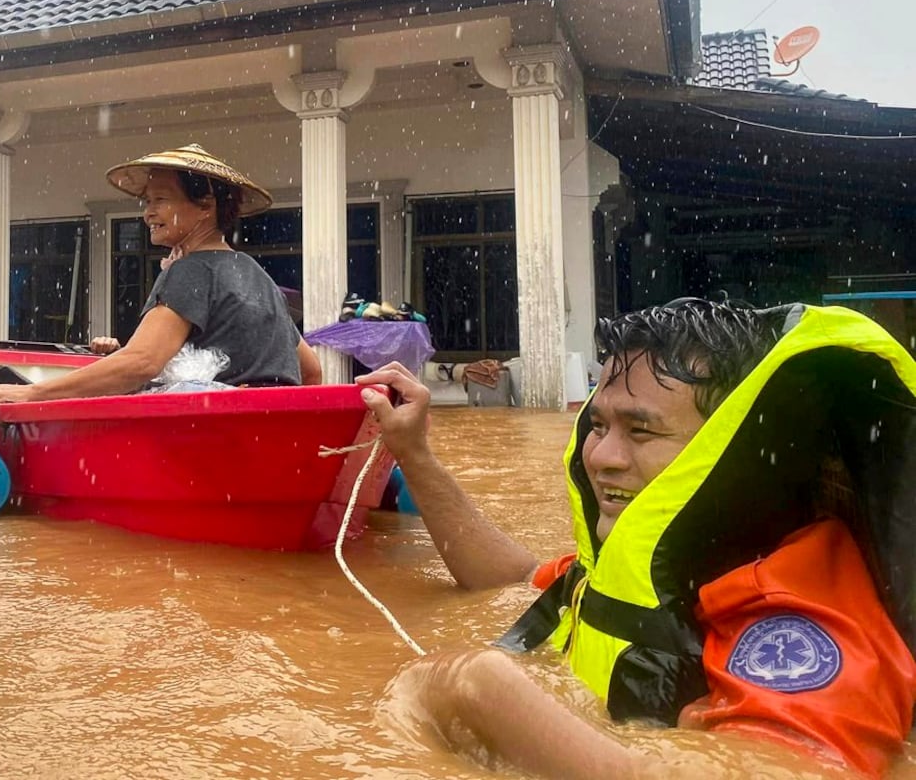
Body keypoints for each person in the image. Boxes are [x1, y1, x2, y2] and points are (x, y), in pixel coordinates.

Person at [357, 298, 916, 778]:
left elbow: (792, 769)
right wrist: (414, 453)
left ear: (734, 455)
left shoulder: (804, 616)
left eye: (641, 430)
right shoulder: (667, 561)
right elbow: (508, 581)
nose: (601, 457)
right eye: (598, 426)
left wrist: (478, 689)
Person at [0, 144, 320, 416]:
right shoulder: (253, 272)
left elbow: (142, 362)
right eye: (146, 202)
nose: (147, 213)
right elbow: (311, 370)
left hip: (218, 441)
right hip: (267, 430)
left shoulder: (190, 270)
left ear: (205, 206)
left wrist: (33, 393)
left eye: (160, 200)